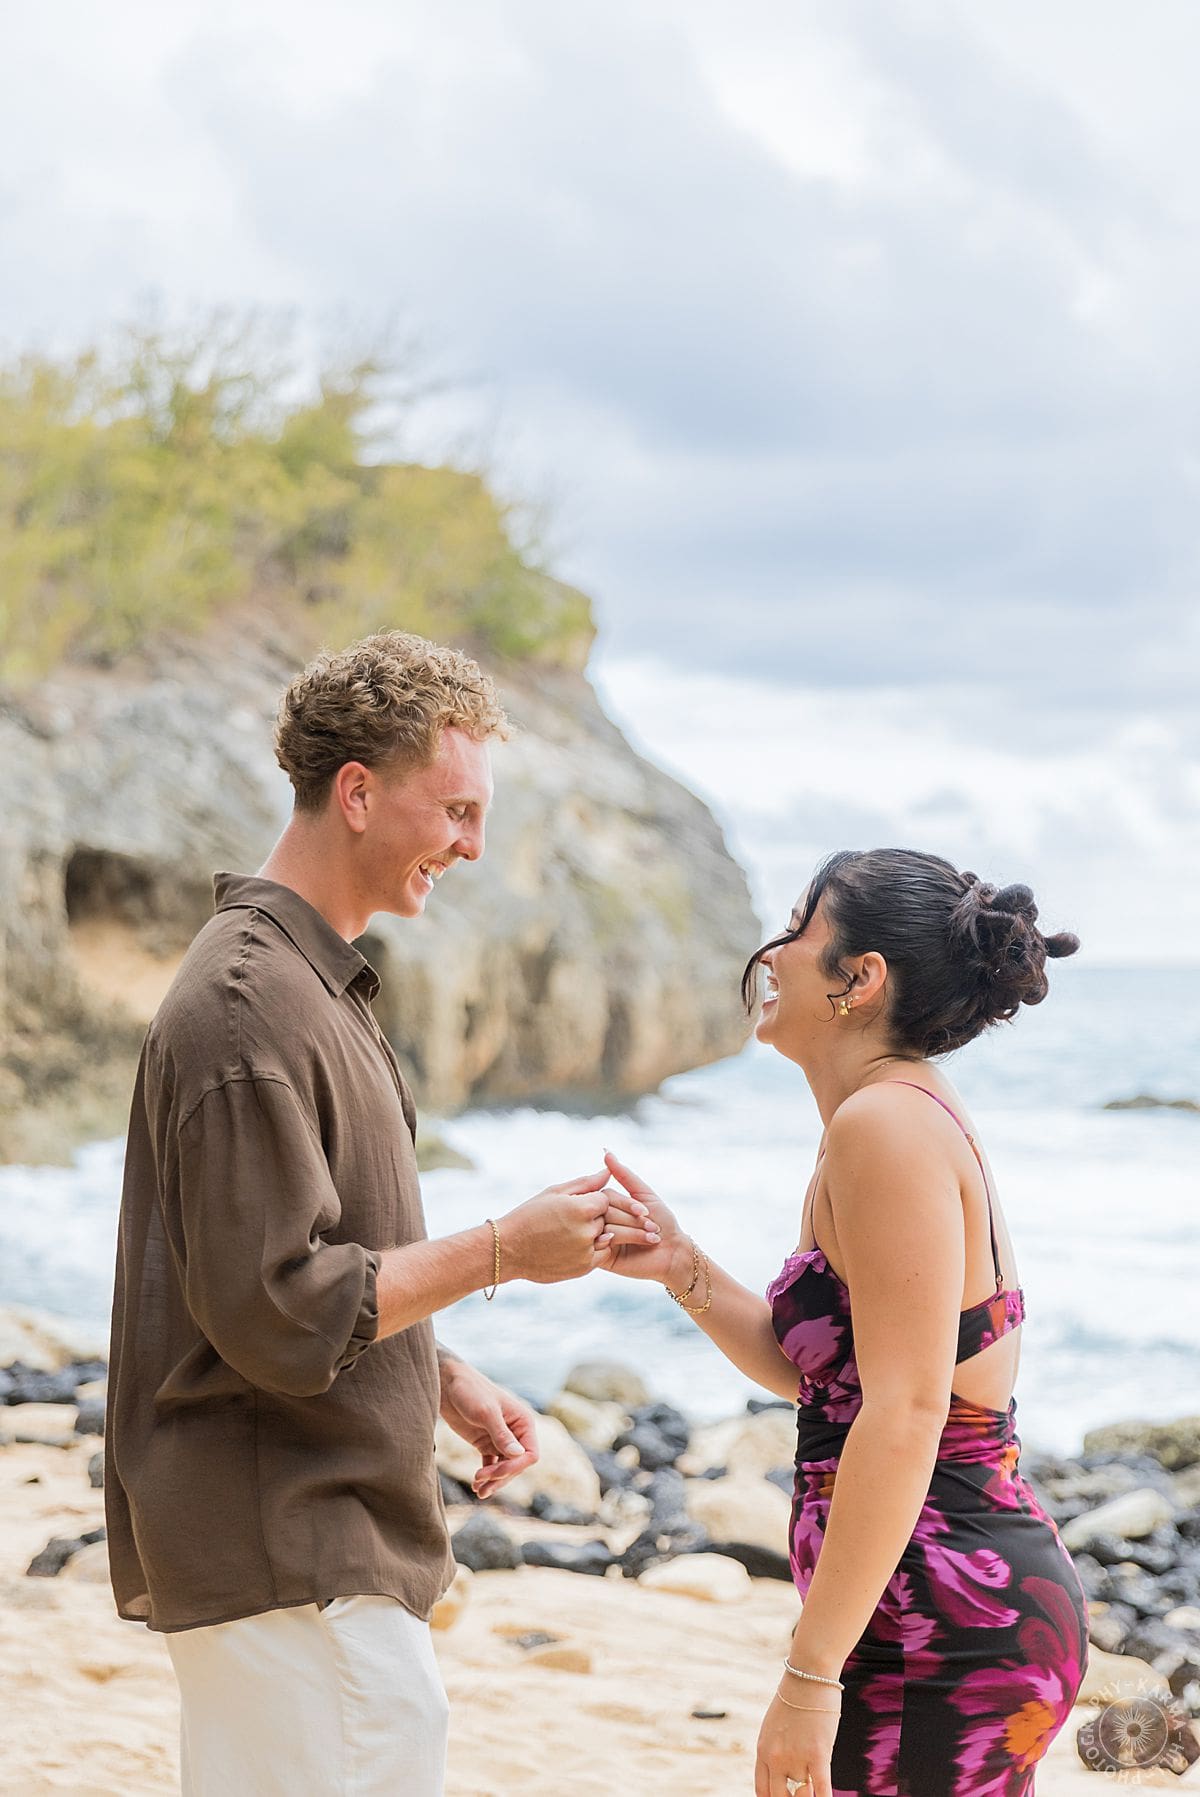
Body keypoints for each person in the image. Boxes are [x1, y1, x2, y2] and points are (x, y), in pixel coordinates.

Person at [104, 629, 657, 1797]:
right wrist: (504, 1249)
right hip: (290, 1544)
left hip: (300, 1545)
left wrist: (433, 1368)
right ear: (357, 793)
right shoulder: (252, 1002)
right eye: (456, 810)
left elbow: (281, 1260)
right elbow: (273, 1307)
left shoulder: (302, 984)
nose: (473, 846)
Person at [600, 848, 1091, 1797]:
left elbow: (906, 1412)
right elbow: (832, 1383)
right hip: (938, 1600)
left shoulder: (886, 1127)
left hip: (941, 1612)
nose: (771, 952)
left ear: (859, 978)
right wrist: (680, 1263)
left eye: (797, 927)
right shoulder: (878, 1119)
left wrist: (809, 1674)